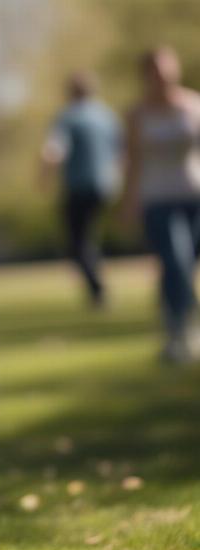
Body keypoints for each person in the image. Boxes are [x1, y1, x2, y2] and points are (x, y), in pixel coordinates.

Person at [122, 46, 200, 362]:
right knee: (176, 262)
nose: (162, 74)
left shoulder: (194, 105)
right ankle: (183, 333)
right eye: (154, 69)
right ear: (146, 74)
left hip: (194, 196)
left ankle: (174, 332)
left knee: (181, 268)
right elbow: (133, 161)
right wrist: (128, 201)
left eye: (166, 67)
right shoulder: (136, 114)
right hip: (157, 199)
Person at [40, 72, 122, 306]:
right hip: (106, 186)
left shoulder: (68, 117)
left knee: (77, 242)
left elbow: (55, 150)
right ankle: (97, 287)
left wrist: (44, 176)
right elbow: (122, 153)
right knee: (88, 238)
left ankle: (98, 290)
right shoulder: (108, 117)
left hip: (79, 187)